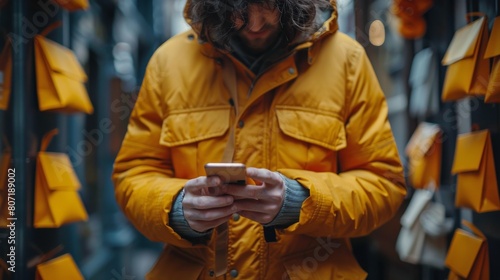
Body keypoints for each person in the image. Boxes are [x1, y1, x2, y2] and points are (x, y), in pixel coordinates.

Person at [112, 0, 407, 279]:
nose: (254, 24)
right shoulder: (168, 62)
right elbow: (133, 176)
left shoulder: (347, 61)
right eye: (237, 7)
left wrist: (300, 203)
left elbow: (384, 185)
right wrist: (176, 209)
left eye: (270, 6)